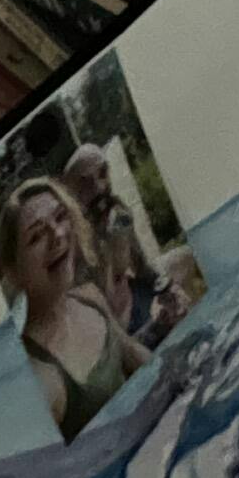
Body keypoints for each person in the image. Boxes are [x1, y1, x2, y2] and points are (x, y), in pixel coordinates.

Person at [0, 174, 145, 440]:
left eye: (60, 217)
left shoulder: (89, 297)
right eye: (36, 236)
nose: (58, 235)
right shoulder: (38, 377)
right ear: (13, 272)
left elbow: (137, 356)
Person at [64, 142, 167, 347]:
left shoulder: (119, 215)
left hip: (134, 300)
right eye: (86, 183)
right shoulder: (75, 242)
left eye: (102, 173)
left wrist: (166, 287)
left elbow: (141, 266)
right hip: (113, 327)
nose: (99, 187)